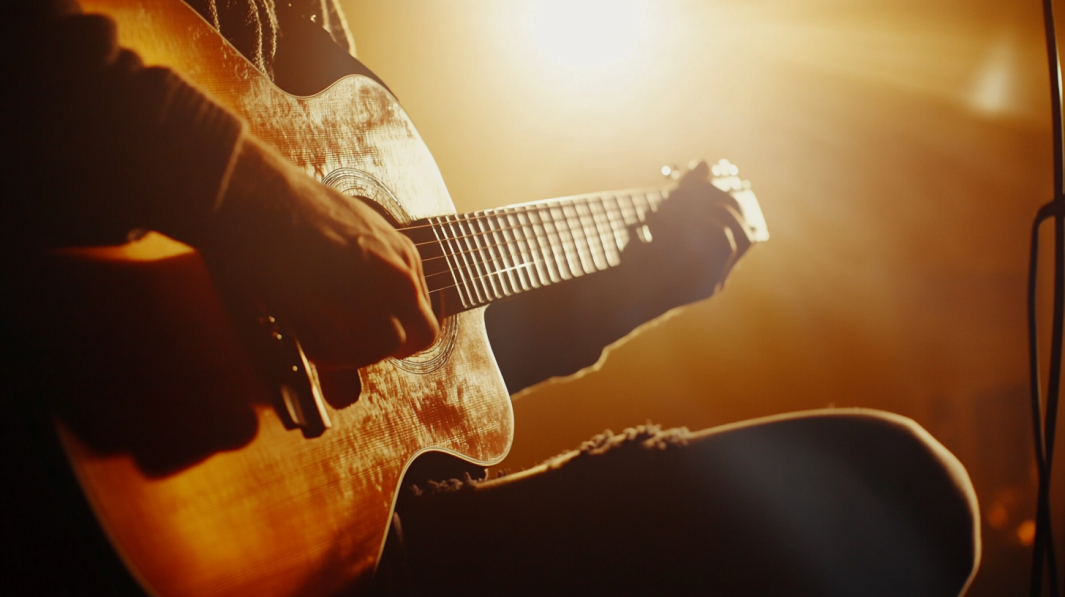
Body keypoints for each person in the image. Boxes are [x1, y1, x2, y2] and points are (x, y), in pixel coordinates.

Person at [0, 1, 980, 595]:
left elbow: (416, 363)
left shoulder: (310, 29)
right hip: (89, 447)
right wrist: (259, 200)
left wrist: (636, 284)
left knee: (906, 495)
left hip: (378, 536)